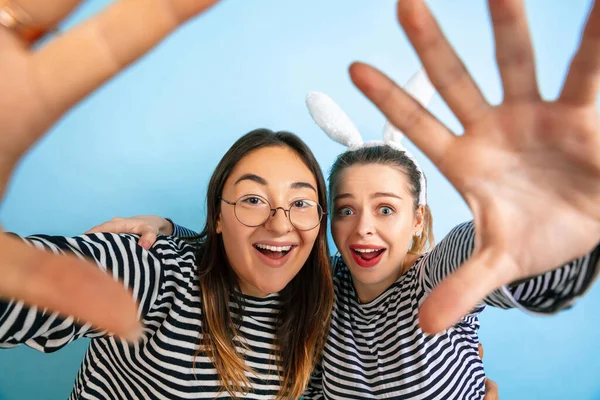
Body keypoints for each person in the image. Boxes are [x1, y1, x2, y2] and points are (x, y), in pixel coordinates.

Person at [93, 0, 600, 398]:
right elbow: (234, 254)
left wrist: (534, 230)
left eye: (386, 209)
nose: (363, 230)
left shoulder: (434, 278)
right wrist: (168, 228)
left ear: (418, 220)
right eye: (345, 210)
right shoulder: (321, 285)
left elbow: (487, 257)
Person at [0, 1, 335, 398]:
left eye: (300, 203)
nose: (280, 224)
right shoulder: (155, 273)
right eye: (252, 199)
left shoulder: (328, 305)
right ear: (218, 217)